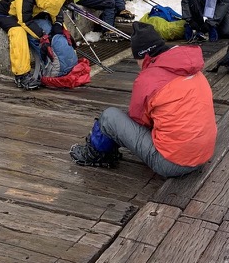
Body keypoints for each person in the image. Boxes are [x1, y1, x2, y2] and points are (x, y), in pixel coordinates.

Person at [69, 22, 217, 177]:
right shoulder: (191, 68)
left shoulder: (148, 79)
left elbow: (139, 121)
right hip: (203, 154)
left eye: (136, 60)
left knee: (109, 117)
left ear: (143, 56)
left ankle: (94, 155)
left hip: (171, 163)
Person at [0, 0, 78, 90]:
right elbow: (25, 21)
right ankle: (21, 75)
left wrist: (59, 26)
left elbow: (56, 9)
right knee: (18, 32)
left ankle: (67, 57)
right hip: (8, 14)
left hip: (30, 12)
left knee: (55, 27)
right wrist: (43, 37)